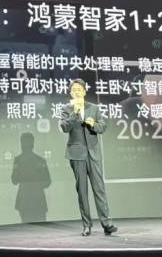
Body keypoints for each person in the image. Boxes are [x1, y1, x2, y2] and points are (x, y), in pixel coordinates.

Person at [59, 78, 117, 236]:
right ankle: (86, 225)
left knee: (99, 189)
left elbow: (103, 127)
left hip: (93, 153)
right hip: (77, 154)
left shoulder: (94, 108)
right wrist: (75, 113)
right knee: (82, 191)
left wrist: (93, 125)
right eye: (74, 90)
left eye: (79, 89)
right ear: (71, 93)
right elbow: (64, 127)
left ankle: (107, 223)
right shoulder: (66, 109)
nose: (77, 92)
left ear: (84, 91)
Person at [11, 132, 51, 223]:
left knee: (31, 227)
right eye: (23, 142)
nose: (24, 145)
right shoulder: (39, 160)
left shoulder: (19, 160)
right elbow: (47, 182)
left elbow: (14, 180)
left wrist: (33, 184)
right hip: (31, 200)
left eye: (26, 142)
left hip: (30, 200)